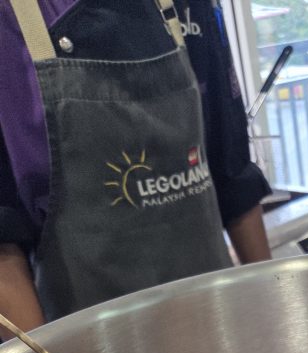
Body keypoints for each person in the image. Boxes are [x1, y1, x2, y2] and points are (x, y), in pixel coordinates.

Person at [0, 0, 272, 335]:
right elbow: (3, 251)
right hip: (89, 351)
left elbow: (234, 176)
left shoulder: (192, 7)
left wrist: (268, 315)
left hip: (219, 327)